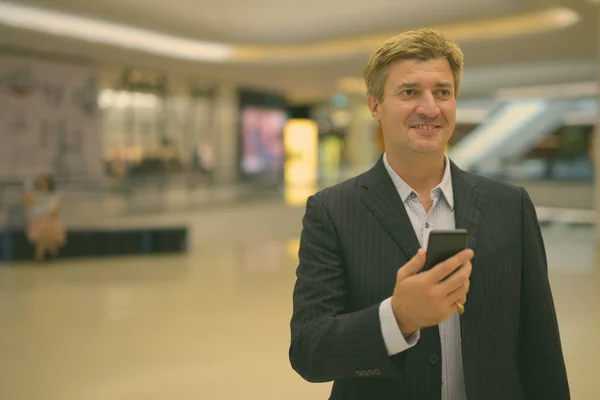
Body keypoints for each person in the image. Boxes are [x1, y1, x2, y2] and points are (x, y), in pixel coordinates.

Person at [289, 29, 570, 400]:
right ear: (375, 106)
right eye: (409, 92)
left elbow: (541, 346)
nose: (430, 107)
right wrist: (398, 317)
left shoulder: (510, 205)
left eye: (442, 92)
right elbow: (310, 351)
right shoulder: (332, 211)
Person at [24, 175, 66, 262]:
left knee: (46, 240)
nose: (43, 184)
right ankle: (47, 256)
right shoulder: (36, 194)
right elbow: (29, 204)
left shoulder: (54, 195)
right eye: (41, 183)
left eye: (45, 183)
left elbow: (56, 208)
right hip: (39, 219)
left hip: (50, 219)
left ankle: (41, 257)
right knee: (43, 240)